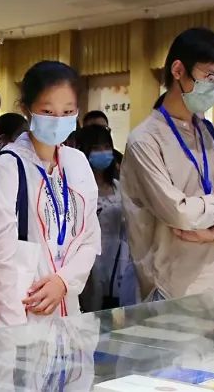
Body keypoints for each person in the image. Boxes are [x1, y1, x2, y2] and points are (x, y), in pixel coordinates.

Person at [121, 27, 214, 301]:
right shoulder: (145, 140)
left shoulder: (212, 134)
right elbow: (180, 214)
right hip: (178, 290)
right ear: (178, 70)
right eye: (210, 77)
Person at [0, 61, 101, 325]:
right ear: (26, 109)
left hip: (69, 309)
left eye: (67, 111)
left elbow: (90, 239)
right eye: (47, 111)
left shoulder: (78, 162)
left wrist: (64, 281)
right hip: (22, 312)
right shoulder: (8, 166)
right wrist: (13, 333)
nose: (58, 120)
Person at [75, 125, 136, 311]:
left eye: (106, 147)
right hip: (90, 260)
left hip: (118, 259)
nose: (103, 152)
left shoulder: (119, 186)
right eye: (96, 148)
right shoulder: (78, 187)